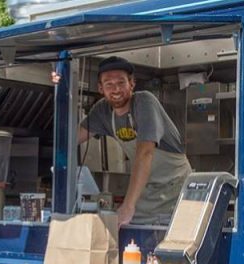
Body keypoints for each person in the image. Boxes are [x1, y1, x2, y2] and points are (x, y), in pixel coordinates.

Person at [77, 56, 192, 226]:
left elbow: (145, 153)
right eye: (109, 84)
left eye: (121, 82)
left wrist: (128, 205)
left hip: (175, 188)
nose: (116, 89)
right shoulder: (102, 111)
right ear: (100, 88)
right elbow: (71, 140)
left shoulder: (144, 102)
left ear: (132, 84)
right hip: (145, 191)